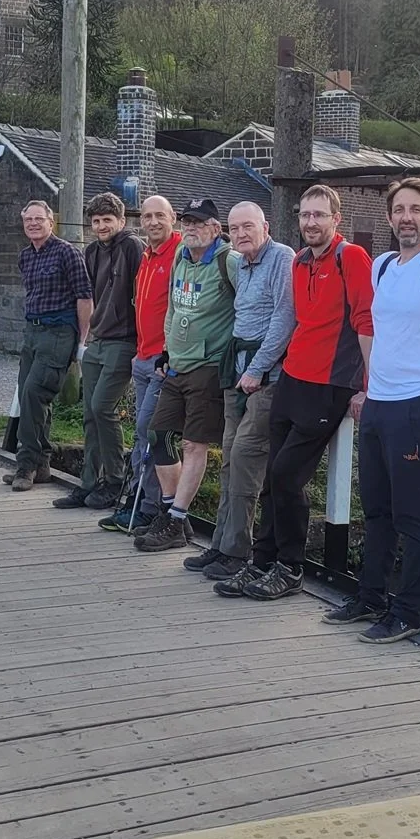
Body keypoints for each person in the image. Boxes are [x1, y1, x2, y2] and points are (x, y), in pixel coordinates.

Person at [322, 177, 420, 643]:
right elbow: (379, 334)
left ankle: (409, 611)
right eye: (399, 210)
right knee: (376, 509)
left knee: (412, 515)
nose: (406, 218)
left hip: (418, 406)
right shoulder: (384, 265)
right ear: (389, 217)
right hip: (380, 404)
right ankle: (370, 595)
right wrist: (369, 389)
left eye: (415, 210)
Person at [214, 184, 373, 600]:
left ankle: (291, 567)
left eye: (320, 215)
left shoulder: (350, 257)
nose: (311, 223)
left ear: (336, 219)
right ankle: (262, 562)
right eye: (305, 215)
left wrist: (366, 387)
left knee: (287, 475)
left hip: (330, 384)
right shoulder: (300, 261)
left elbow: (367, 322)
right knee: (271, 475)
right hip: (293, 379)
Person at [183, 201, 296, 579]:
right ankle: (220, 545)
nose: (242, 233)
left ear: (265, 226)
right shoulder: (242, 263)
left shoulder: (281, 258)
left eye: (249, 226)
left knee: (248, 456)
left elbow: (285, 315)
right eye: (236, 227)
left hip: (267, 378)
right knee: (230, 456)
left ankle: (238, 552)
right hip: (237, 374)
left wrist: (260, 368)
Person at [134, 198, 239, 553]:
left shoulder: (229, 261)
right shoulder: (182, 257)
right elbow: (175, 307)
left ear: (215, 228)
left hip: (208, 369)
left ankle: (176, 519)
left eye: (200, 222)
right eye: (188, 221)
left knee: (195, 444)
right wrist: (166, 349)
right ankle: (172, 514)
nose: (191, 227)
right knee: (158, 434)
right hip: (176, 365)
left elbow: (254, 304)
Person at [54, 193, 144, 510]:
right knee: (90, 414)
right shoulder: (91, 252)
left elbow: (142, 295)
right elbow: (87, 295)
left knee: (103, 407)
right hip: (98, 340)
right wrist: (84, 337)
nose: (102, 225)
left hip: (124, 339)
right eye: (96, 221)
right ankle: (88, 483)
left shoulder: (132, 247)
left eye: (108, 220)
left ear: (121, 221)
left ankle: (114, 481)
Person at [99, 195, 182, 533]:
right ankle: (138, 502)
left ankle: (147, 509)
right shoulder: (147, 254)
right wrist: (138, 351)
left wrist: (168, 353)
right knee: (144, 433)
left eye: (159, 215)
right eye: (147, 216)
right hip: (143, 357)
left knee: (151, 434)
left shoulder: (179, 252)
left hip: (164, 362)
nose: (152, 222)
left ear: (172, 217)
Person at [4, 200, 93, 491]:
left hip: (59, 333)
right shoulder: (25, 256)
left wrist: (81, 341)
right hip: (33, 332)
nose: (33, 223)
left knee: (33, 394)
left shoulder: (68, 252)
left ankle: (26, 466)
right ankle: (41, 465)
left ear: (50, 222)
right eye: (28, 219)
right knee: (33, 398)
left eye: (38, 219)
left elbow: (84, 297)